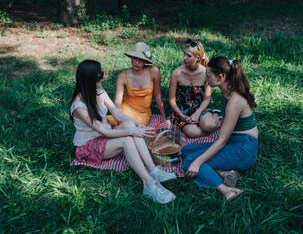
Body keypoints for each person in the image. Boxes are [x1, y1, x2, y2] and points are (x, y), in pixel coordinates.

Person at [69, 60, 176, 204]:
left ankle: (153, 169)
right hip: (89, 145)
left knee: (129, 124)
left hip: (104, 136)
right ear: (89, 79)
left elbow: (116, 113)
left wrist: (138, 126)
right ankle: (148, 184)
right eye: (100, 74)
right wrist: (134, 132)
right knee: (127, 139)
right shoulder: (78, 106)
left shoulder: (99, 91)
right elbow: (103, 132)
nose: (104, 76)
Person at [182, 56, 258, 201]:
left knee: (191, 161)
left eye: (208, 76)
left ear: (220, 77)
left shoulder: (234, 100)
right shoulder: (227, 92)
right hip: (235, 142)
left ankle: (226, 190)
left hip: (245, 149)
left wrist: (197, 162)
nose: (205, 79)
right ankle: (224, 173)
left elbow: (222, 140)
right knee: (186, 150)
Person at [169, 39, 220, 138]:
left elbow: (207, 98)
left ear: (198, 58)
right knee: (193, 133)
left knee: (210, 125)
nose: (184, 58)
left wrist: (198, 113)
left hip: (200, 109)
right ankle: (216, 126)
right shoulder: (176, 73)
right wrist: (182, 116)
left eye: (188, 56)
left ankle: (216, 117)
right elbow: (172, 100)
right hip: (183, 111)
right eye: (184, 54)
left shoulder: (206, 73)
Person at [106, 42, 166, 126]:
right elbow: (117, 102)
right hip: (125, 108)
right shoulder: (122, 76)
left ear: (145, 61)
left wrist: (164, 116)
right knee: (109, 122)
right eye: (134, 58)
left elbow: (158, 95)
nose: (136, 62)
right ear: (131, 58)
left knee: (134, 125)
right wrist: (119, 116)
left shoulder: (153, 71)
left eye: (140, 60)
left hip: (142, 113)